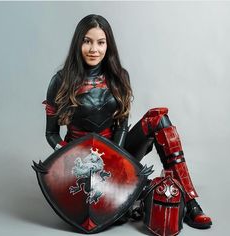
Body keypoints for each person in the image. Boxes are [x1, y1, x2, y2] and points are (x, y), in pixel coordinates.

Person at [43, 14, 212, 230]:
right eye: (87, 41)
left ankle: (191, 203)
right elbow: (51, 134)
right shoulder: (60, 80)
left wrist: (117, 158)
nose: (94, 49)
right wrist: (68, 154)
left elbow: (122, 125)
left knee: (158, 119)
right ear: (78, 43)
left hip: (117, 151)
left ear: (108, 45)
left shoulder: (120, 76)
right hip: (79, 162)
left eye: (100, 42)